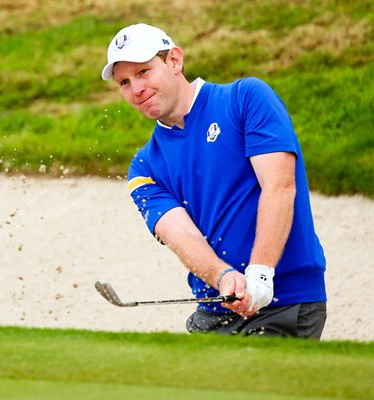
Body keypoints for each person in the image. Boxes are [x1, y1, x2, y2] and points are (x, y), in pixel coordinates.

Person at [101, 23, 327, 339]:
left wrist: (261, 272)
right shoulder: (144, 167)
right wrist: (222, 277)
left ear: (174, 61)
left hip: (286, 302)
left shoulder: (246, 99)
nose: (136, 88)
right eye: (124, 82)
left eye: (143, 72)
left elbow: (279, 187)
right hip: (214, 309)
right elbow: (181, 235)